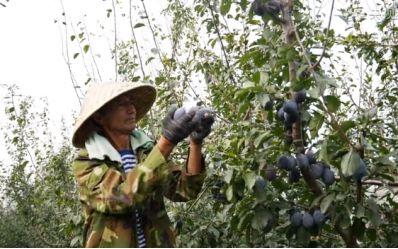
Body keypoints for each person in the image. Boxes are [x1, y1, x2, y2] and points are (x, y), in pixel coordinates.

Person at [71, 81, 214, 247]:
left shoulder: (146, 150)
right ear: (99, 116)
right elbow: (121, 198)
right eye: (121, 104)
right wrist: (167, 141)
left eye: (131, 102)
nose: (131, 109)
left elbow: (184, 190)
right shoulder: (88, 161)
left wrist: (195, 143)